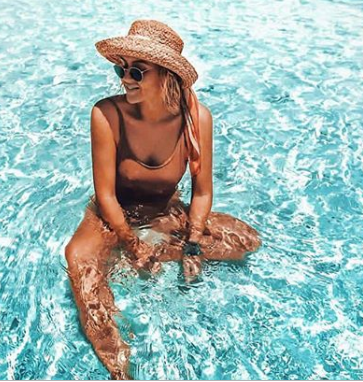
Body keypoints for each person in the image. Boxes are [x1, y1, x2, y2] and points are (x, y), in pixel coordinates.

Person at [64, 19, 262, 380]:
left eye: (137, 71)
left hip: (162, 215)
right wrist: (129, 241)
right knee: (78, 259)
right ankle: (118, 363)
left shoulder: (196, 118)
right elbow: (106, 194)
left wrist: (192, 243)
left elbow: (201, 192)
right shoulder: (107, 114)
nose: (125, 79)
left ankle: (158, 249)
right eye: (120, 68)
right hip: (111, 216)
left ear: (167, 75)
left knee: (246, 240)